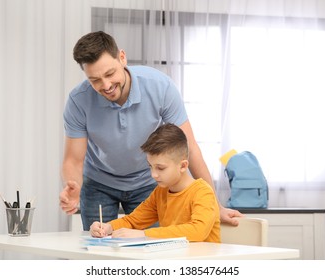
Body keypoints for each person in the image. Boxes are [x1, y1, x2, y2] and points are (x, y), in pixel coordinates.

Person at [59, 31, 242, 230]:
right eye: (95, 80)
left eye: (110, 74)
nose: (106, 85)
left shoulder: (160, 87)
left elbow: (190, 148)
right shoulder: (79, 101)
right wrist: (73, 185)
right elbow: (73, 160)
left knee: (151, 249)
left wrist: (215, 204)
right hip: (99, 183)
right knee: (98, 246)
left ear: (122, 57)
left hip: (147, 182)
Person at [90, 123, 220, 242]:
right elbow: (134, 220)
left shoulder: (203, 192)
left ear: (183, 166)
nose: (153, 174)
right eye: (150, 166)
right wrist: (108, 227)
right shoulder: (160, 192)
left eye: (160, 168)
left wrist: (144, 234)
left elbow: (198, 231)